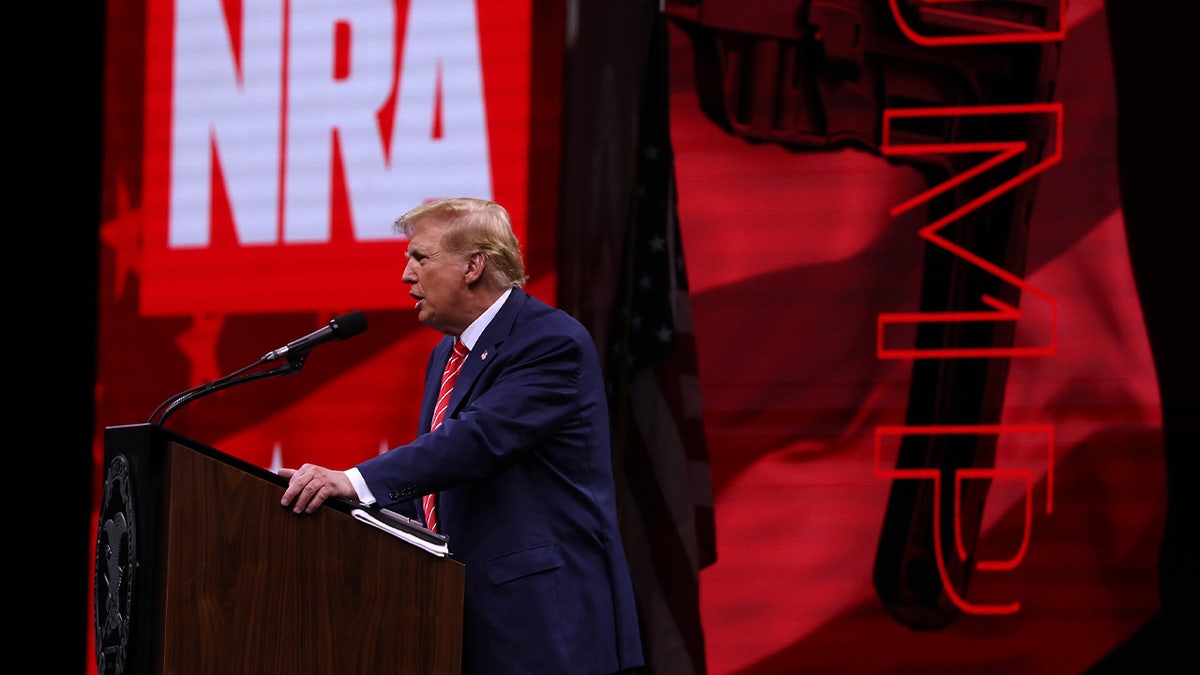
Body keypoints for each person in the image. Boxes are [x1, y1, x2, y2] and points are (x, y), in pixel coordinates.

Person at [279, 197, 644, 674]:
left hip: (542, 619)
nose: (406, 275)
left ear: (474, 265)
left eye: (421, 258)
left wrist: (354, 482)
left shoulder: (550, 341)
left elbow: (478, 441)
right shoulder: (447, 357)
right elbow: (436, 485)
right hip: (460, 610)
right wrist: (356, 517)